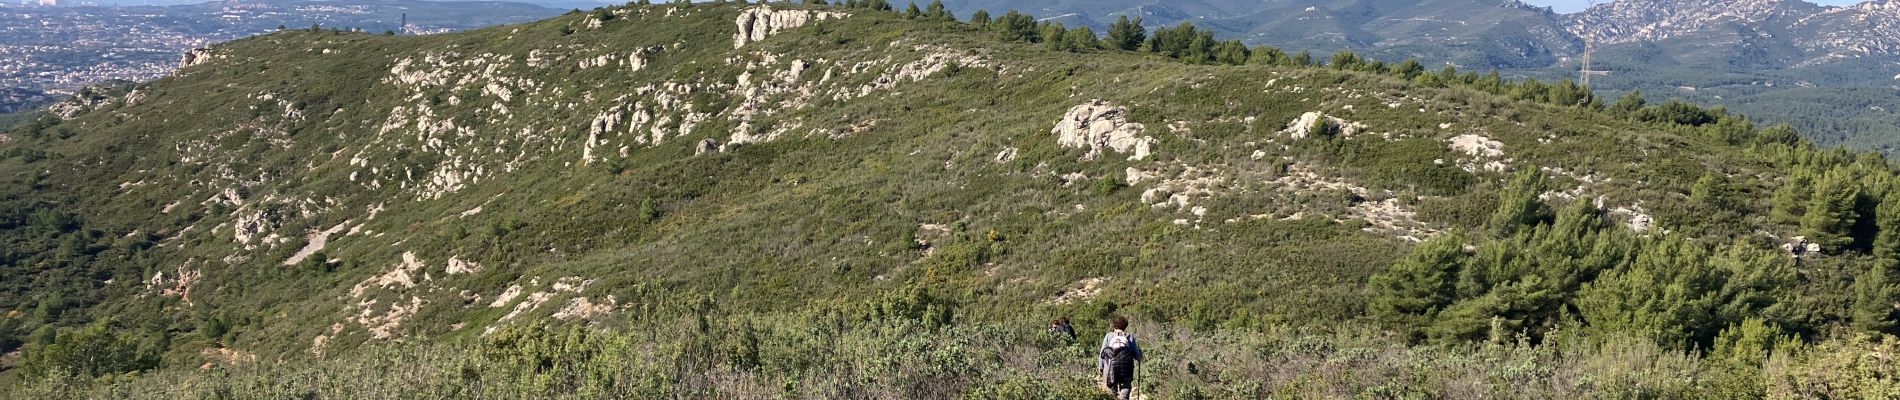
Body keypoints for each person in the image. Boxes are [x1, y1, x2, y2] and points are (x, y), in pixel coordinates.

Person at [1098, 316, 1142, 400]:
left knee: (1111, 394)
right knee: (1125, 391)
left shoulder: (1108, 336)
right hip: (1126, 370)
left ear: (1114, 326)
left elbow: (1102, 353)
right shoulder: (1130, 337)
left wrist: (1101, 367)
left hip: (1110, 369)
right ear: (1125, 327)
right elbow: (1137, 356)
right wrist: (1140, 353)